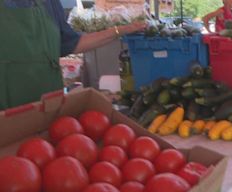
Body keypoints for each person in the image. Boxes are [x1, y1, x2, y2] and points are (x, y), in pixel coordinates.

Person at [0, 0, 146, 110]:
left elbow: (72, 44)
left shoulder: (49, 3)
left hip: (47, 103)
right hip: (8, 107)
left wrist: (120, 31)